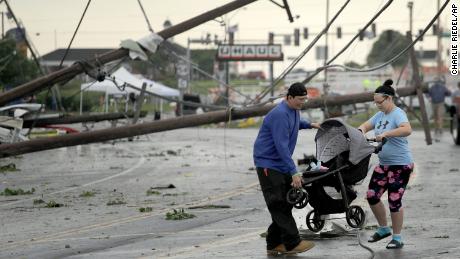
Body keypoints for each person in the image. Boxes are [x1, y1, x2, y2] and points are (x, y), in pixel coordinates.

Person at [253, 82, 319, 255]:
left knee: (286, 202)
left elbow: (295, 123)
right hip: (268, 163)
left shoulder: (293, 110)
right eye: (299, 99)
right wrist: (294, 171)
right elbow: (281, 146)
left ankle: (274, 244)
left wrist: (309, 124)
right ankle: (292, 243)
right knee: (278, 204)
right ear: (289, 97)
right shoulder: (280, 114)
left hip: (280, 163)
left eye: (305, 99)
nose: (302, 102)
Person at [357, 79, 414, 249]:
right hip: (384, 165)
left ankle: (397, 238)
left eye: (379, 102)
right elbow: (366, 125)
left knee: (394, 200)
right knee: (372, 196)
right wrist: (360, 132)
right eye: (375, 103)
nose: (377, 105)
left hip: (400, 165)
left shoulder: (398, 114)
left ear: (389, 98)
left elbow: (407, 129)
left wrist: (388, 134)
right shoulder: (380, 115)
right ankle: (383, 229)